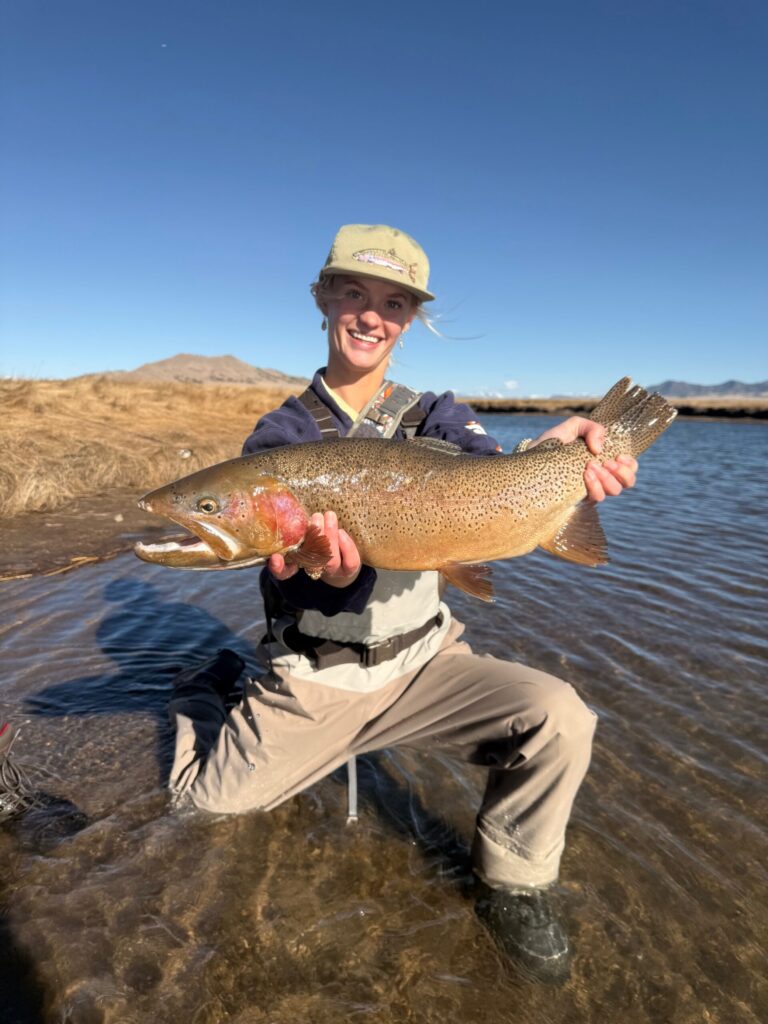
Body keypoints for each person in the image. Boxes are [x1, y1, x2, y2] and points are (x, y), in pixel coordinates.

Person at [167, 224, 637, 983]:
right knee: (201, 809)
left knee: (561, 718)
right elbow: (287, 581)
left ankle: (514, 885)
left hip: (425, 663)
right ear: (322, 299)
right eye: (353, 293)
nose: (370, 315)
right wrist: (328, 572)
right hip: (316, 680)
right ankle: (204, 689)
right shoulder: (281, 438)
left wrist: (555, 461)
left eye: (392, 303)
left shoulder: (438, 414)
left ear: (411, 319)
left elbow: (490, 477)